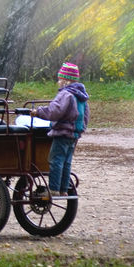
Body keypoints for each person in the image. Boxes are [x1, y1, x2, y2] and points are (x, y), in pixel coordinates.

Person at [31, 62, 90, 197]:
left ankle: (53, 189)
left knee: (56, 159)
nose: (58, 82)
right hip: (74, 135)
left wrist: (38, 112)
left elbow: (54, 111)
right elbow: (86, 116)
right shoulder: (81, 96)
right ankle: (64, 189)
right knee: (66, 161)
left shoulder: (66, 94)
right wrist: (80, 130)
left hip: (62, 133)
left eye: (59, 79)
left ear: (66, 80)